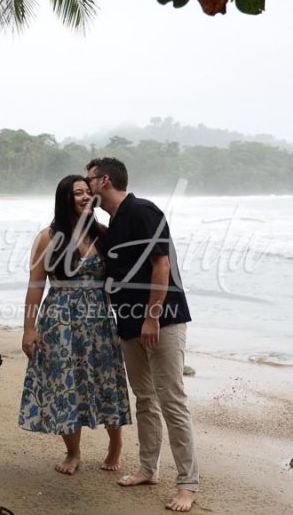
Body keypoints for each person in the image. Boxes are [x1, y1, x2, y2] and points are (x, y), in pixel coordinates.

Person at [85, 158, 199, 513]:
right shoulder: (114, 223)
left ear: (105, 180)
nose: (86, 186)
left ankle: (187, 484)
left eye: (89, 180)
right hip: (129, 324)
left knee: (172, 400)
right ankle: (149, 469)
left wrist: (152, 318)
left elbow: (161, 264)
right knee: (145, 399)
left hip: (162, 321)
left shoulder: (143, 211)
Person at [18, 174, 131, 476]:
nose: (85, 197)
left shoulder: (102, 234)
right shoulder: (48, 237)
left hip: (98, 320)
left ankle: (115, 445)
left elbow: (118, 281)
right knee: (66, 384)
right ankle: (73, 452)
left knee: (107, 381)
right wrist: (29, 329)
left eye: (87, 192)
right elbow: (35, 285)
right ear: (65, 199)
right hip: (60, 320)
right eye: (78, 193)